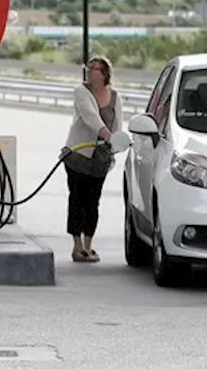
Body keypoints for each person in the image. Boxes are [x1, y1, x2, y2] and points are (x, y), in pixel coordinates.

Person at [63, 55, 123, 263]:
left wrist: (116, 146)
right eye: (89, 68)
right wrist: (108, 136)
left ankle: (88, 245)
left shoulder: (115, 97)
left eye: (95, 68)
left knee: (93, 202)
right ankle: (76, 246)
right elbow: (90, 116)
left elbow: (118, 125)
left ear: (105, 73)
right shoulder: (82, 91)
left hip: (100, 159)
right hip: (78, 155)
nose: (90, 71)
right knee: (77, 199)